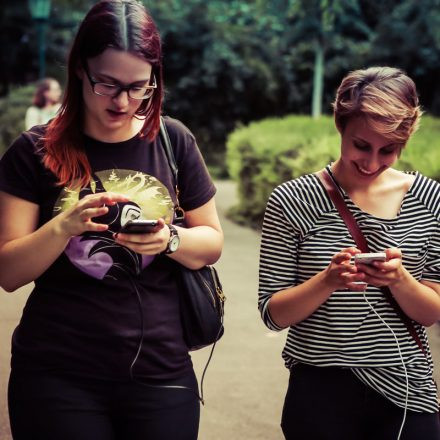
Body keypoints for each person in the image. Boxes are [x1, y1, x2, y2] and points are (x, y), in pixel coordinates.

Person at [0, 1, 223, 439]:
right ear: (80, 69)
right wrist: (63, 226)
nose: (123, 101)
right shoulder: (33, 151)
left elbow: (211, 242)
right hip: (56, 373)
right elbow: (8, 271)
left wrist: (169, 240)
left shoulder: (173, 140)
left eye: (139, 86)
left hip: (162, 369)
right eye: (107, 84)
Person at [258, 66, 440, 440]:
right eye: (361, 145)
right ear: (340, 125)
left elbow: (431, 312)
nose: (372, 163)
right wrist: (327, 281)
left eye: (388, 150)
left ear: (405, 142)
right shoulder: (291, 200)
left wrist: (400, 280)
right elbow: (273, 314)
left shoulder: (430, 200)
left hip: (407, 391)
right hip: (320, 391)